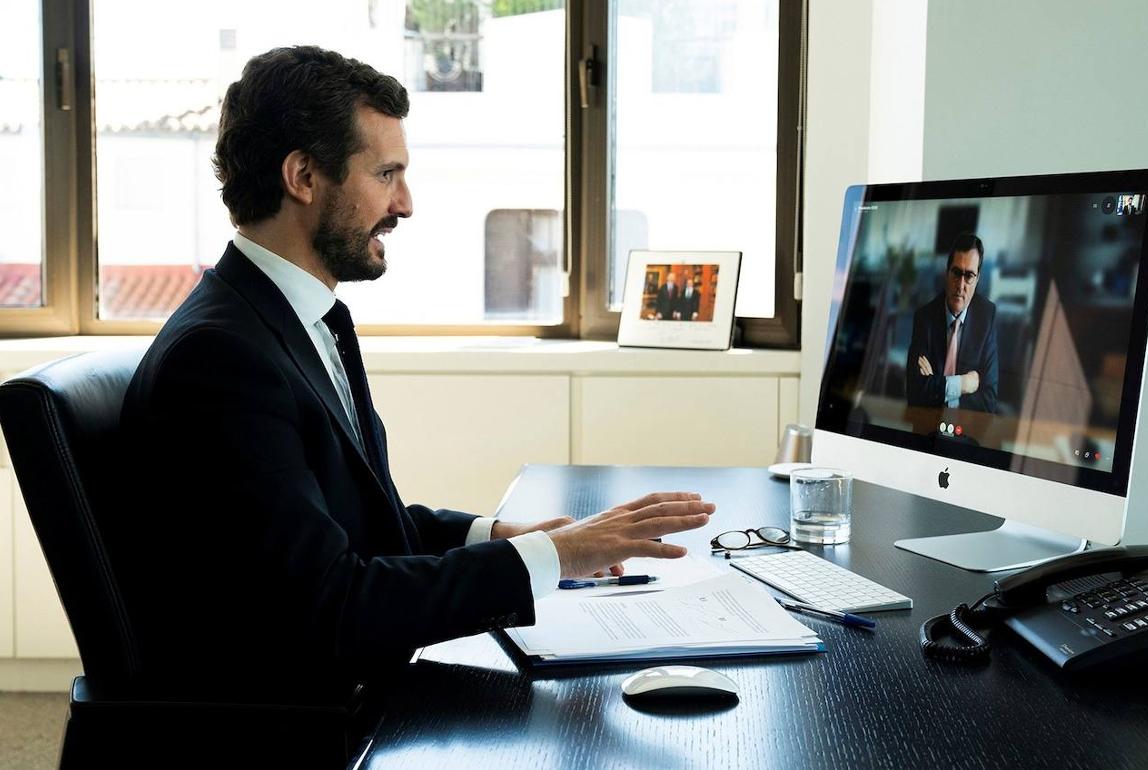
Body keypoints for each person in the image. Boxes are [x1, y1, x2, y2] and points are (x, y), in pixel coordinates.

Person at [118, 46, 714, 695]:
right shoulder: (222, 360)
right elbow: (331, 604)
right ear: (303, 177)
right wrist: (554, 558)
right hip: (308, 722)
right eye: (386, 174)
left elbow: (355, 525)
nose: (404, 204)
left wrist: (508, 537)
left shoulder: (290, 318)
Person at [906, 233, 999, 414]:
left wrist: (936, 388)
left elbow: (989, 402)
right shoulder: (924, 318)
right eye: (956, 273)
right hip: (927, 427)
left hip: (967, 430)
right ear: (947, 272)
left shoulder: (987, 316)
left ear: (977, 279)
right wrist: (963, 384)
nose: (961, 285)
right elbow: (915, 394)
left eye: (969, 276)